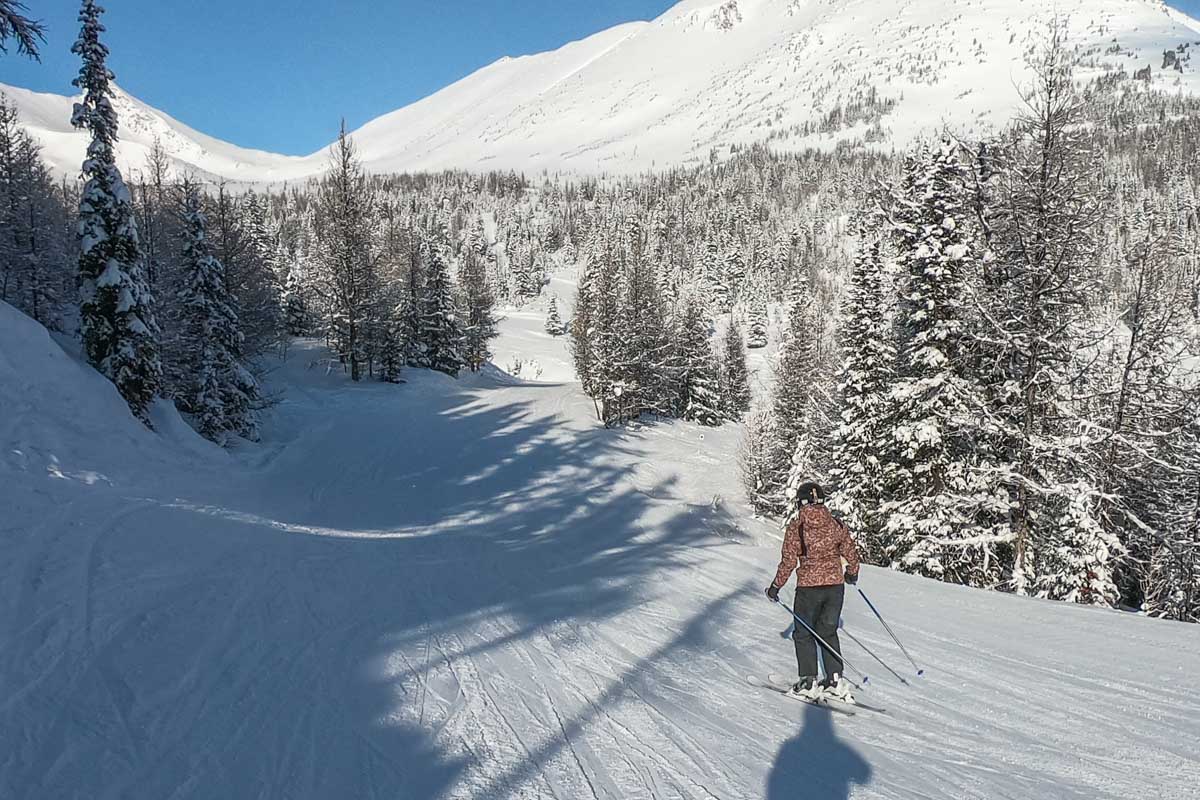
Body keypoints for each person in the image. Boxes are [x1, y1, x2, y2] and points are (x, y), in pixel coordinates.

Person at [765, 481, 861, 703]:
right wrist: (852, 573)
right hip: (835, 587)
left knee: (804, 633)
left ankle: (808, 682)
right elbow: (851, 551)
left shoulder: (797, 526)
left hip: (809, 588)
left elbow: (788, 561)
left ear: (801, 501)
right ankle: (835, 680)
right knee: (828, 631)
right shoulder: (835, 523)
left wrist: (775, 587)